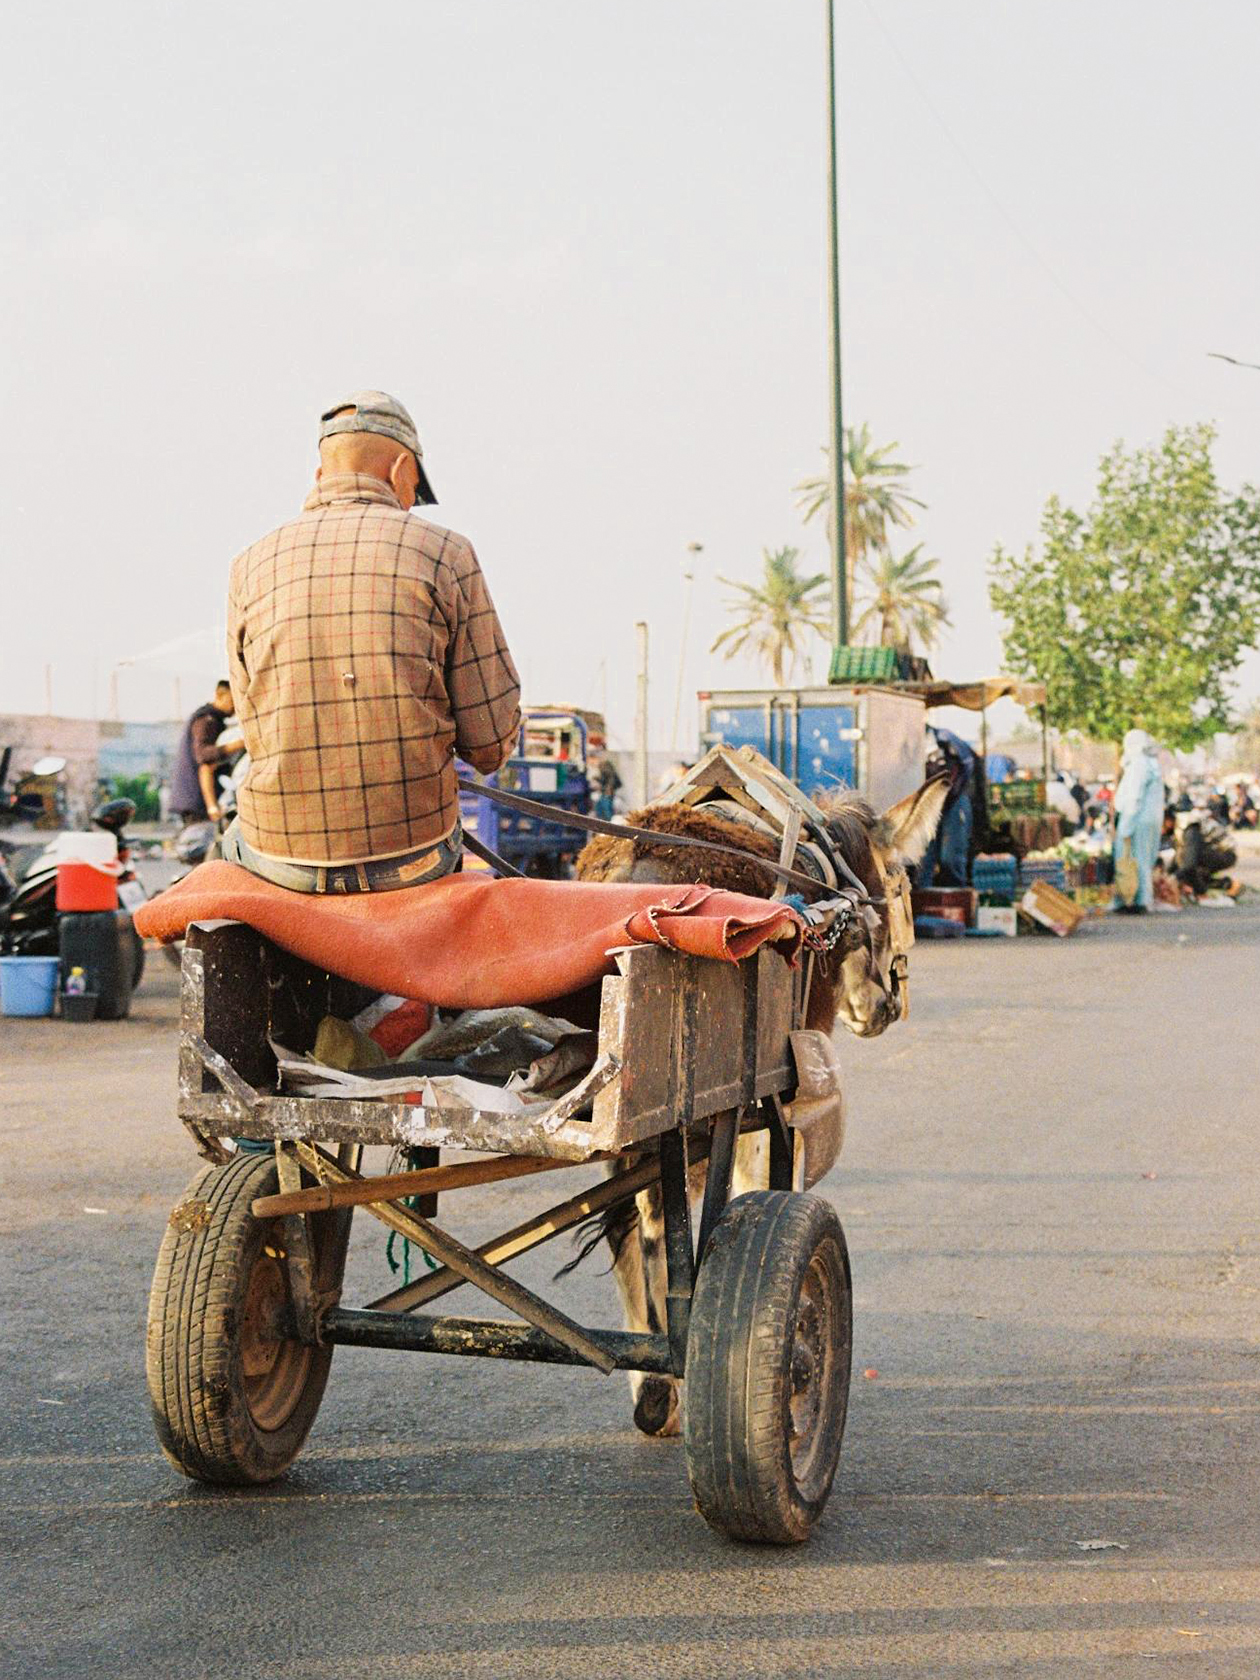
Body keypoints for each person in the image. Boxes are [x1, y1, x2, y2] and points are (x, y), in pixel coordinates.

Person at [224, 390, 521, 893]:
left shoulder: (250, 563)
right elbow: (490, 743)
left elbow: (255, 727)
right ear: (402, 470)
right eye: (414, 489)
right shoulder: (446, 552)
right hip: (411, 854)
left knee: (230, 840)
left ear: (320, 476)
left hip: (278, 853)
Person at [170, 681, 236, 823]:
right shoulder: (207, 719)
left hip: (193, 798)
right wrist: (238, 744)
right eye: (233, 699)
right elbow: (204, 756)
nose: (235, 705)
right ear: (219, 695)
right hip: (197, 800)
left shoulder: (211, 718)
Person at [917, 727, 975, 887]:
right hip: (928, 805)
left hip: (954, 802)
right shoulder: (908, 744)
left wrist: (951, 791)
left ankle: (957, 900)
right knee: (924, 859)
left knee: (951, 858)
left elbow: (967, 763)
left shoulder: (944, 738)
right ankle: (923, 903)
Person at [1113, 729, 1164, 912]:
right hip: (1149, 819)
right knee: (1143, 858)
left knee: (1132, 859)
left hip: (1136, 818)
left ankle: (1134, 899)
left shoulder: (1138, 764)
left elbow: (1134, 796)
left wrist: (1126, 825)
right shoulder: (1151, 764)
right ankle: (1140, 898)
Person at [594, 755, 622, 820]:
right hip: (605, 791)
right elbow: (605, 779)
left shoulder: (605, 767)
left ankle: (608, 823)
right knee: (600, 807)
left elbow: (611, 778)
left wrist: (609, 788)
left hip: (607, 792)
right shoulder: (604, 768)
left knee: (606, 809)